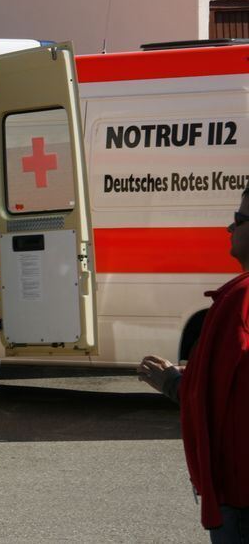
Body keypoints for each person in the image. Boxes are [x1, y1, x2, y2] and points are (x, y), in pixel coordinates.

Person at [138, 186, 249, 542]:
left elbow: (223, 400)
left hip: (239, 493)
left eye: (239, 219)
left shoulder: (239, 301)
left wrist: (174, 382)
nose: (230, 229)